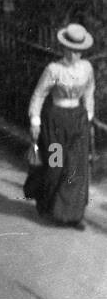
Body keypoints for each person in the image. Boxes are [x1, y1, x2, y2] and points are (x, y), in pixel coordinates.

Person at [24, 23, 96, 230]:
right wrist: (35, 121)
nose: (74, 54)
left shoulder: (86, 68)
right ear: (64, 48)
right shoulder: (54, 70)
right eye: (70, 50)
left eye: (78, 51)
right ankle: (46, 206)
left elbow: (90, 91)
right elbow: (39, 95)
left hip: (78, 122)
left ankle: (72, 215)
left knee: (76, 167)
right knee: (55, 164)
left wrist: (89, 114)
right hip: (55, 123)